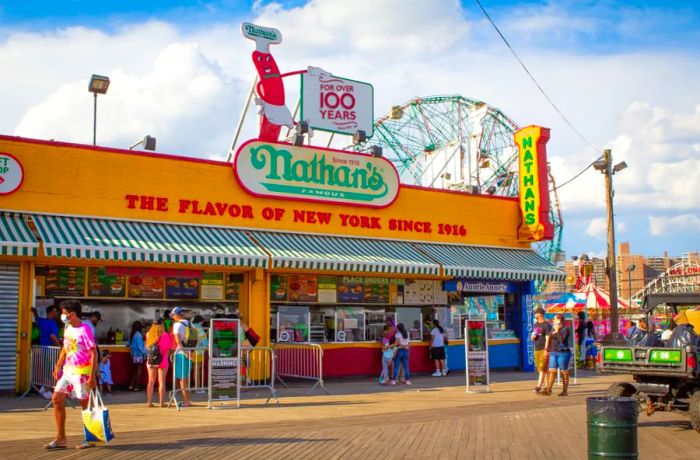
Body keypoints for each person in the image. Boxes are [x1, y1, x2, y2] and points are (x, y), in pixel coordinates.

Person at [45, 299, 97, 450]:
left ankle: (90, 437)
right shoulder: (68, 327)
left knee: (85, 404)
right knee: (56, 398)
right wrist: (59, 364)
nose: (62, 316)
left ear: (72, 314)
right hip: (68, 371)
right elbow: (65, 347)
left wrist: (92, 376)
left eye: (64, 314)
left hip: (82, 372)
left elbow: (93, 353)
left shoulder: (85, 330)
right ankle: (61, 438)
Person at [540, 314, 572, 397]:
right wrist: (547, 349)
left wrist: (557, 331)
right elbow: (550, 338)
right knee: (552, 370)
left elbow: (562, 340)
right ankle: (548, 390)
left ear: (561, 321)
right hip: (553, 352)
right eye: (554, 320)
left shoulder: (566, 329)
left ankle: (565, 391)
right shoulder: (552, 329)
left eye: (557, 320)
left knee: (564, 371)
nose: (555, 322)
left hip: (563, 352)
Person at [145, 320, 173, 407]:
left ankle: (149, 402)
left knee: (151, 380)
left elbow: (147, 347)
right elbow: (168, 349)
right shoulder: (166, 335)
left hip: (151, 360)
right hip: (163, 360)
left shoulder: (148, 334)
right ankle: (161, 402)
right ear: (162, 325)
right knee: (162, 381)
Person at [171, 307, 193, 407]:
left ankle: (186, 401)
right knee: (186, 378)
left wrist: (184, 353)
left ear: (177, 315)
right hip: (190, 353)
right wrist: (189, 353)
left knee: (182, 379)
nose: (172, 317)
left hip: (181, 354)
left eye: (173, 315)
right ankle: (188, 400)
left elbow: (178, 341)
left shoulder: (177, 325)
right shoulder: (189, 323)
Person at [531, 307, 552, 392]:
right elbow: (534, 336)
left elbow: (548, 338)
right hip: (537, 348)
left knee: (542, 368)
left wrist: (546, 349)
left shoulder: (547, 325)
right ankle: (548, 388)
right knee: (543, 369)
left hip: (544, 348)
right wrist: (532, 337)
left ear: (541, 314)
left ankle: (538, 386)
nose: (535, 314)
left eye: (536, 313)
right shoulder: (536, 324)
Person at [191, 315, 208, 393]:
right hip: (199, 352)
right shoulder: (200, 330)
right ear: (200, 321)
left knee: (194, 369)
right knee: (198, 370)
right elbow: (205, 342)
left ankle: (194, 387)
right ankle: (198, 388)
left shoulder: (191, 327)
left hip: (191, 351)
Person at [128, 321, 146, 391]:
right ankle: (136, 386)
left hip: (133, 354)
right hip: (138, 355)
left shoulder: (132, 333)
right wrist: (145, 353)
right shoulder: (138, 335)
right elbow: (140, 347)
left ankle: (132, 385)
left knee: (135, 370)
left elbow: (128, 344)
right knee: (139, 370)